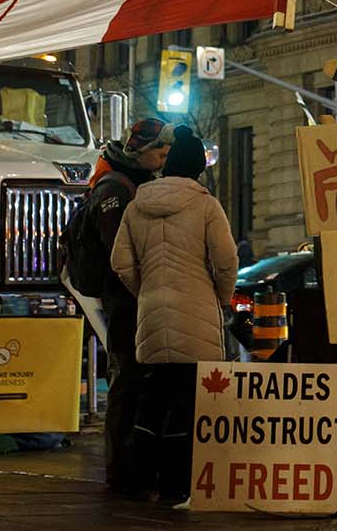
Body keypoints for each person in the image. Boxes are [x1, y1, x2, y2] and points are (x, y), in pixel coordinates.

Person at [112, 125, 236, 505]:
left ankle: (138, 478)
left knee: (151, 400)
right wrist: (221, 297)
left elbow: (120, 262)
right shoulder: (205, 205)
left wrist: (146, 289)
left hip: (151, 313)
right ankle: (176, 485)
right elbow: (227, 260)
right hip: (196, 314)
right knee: (186, 405)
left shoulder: (137, 205)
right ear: (198, 168)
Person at [87, 118, 171, 492]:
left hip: (133, 299)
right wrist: (143, 288)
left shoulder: (133, 182)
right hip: (124, 302)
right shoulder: (116, 190)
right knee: (126, 380)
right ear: (141, 151)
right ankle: (119, 469)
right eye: (159, 151)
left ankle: (132, 467)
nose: (163, 158)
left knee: (136, 380)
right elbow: (120, 253)